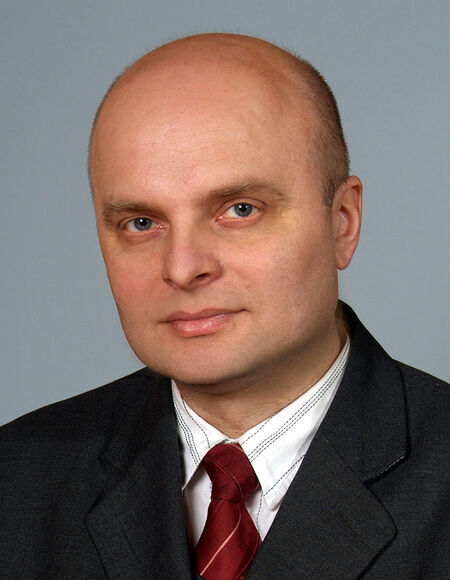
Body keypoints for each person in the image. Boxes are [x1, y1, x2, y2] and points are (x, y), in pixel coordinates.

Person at [0, 33, 448, 579]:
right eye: (141, 223)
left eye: (240, 209)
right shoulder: (17, 481)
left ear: (342, 223)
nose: (183, 267)